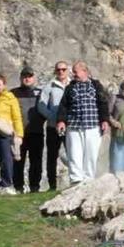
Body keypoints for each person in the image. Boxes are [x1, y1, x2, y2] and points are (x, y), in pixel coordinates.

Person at [55, 61, 110, 186]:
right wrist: (61, 121)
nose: (73, 74)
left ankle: (88, 180)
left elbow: (103, 103)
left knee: (91, 154)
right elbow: (63, 106)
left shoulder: (96, 86)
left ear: (84, 71)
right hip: (74, 126)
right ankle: (76, 180)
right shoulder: (70, 87)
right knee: (74, 153)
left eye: (76, 72)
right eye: (73, 72)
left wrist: (105, 120)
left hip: (92, 126)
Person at [36, 61, 71, 191]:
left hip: (70, 127)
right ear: (55, 71)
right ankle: (52, 185)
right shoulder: (49, 86)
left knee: (72, 154)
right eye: (58, 69)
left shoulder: (73, 85)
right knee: (52, 156)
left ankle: (75, 181)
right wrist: (53, 118)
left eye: (63, 69)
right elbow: (41, 105)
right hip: (52, 127)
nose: (61, 72)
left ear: (67, 70)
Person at [11, 67, 44, 194]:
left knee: (36, 161)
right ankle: (18, 187)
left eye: (29, 76)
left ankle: (34, 187)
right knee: (18, 160)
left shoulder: (41, 93)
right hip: (18, 134)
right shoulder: (13, 93)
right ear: (20, 78)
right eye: (25, 76)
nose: (27, 79)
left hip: (36, 131)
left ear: (33, 78)